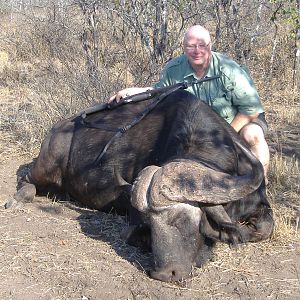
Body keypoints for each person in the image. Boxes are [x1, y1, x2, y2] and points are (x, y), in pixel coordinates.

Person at [109, 25, 270, 180]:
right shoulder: (174, 69)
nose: (197, 51)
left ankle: (259, 183)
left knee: (252, 135)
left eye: (202, 45)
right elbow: (159, 93)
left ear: (210, 45)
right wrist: (132, 92)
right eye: (191, 46)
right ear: (184, 47)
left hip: (238, 122)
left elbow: (250, 110)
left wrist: (227, 136)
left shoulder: (229, 70)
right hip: (202, 130)